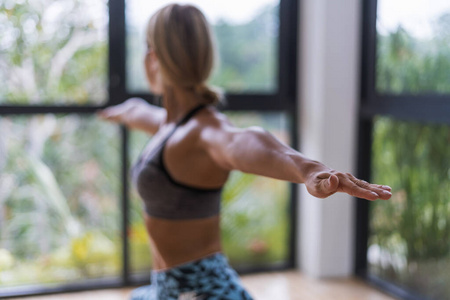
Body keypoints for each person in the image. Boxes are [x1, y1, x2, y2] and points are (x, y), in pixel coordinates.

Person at [98, 3, 392, 300]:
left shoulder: (203, 132)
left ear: (153, 57)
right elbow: (138, 111)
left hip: (204, 290)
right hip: (167, 287)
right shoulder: (170, 126)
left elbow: (246, 141)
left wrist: (308, 169)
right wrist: (119, 110)